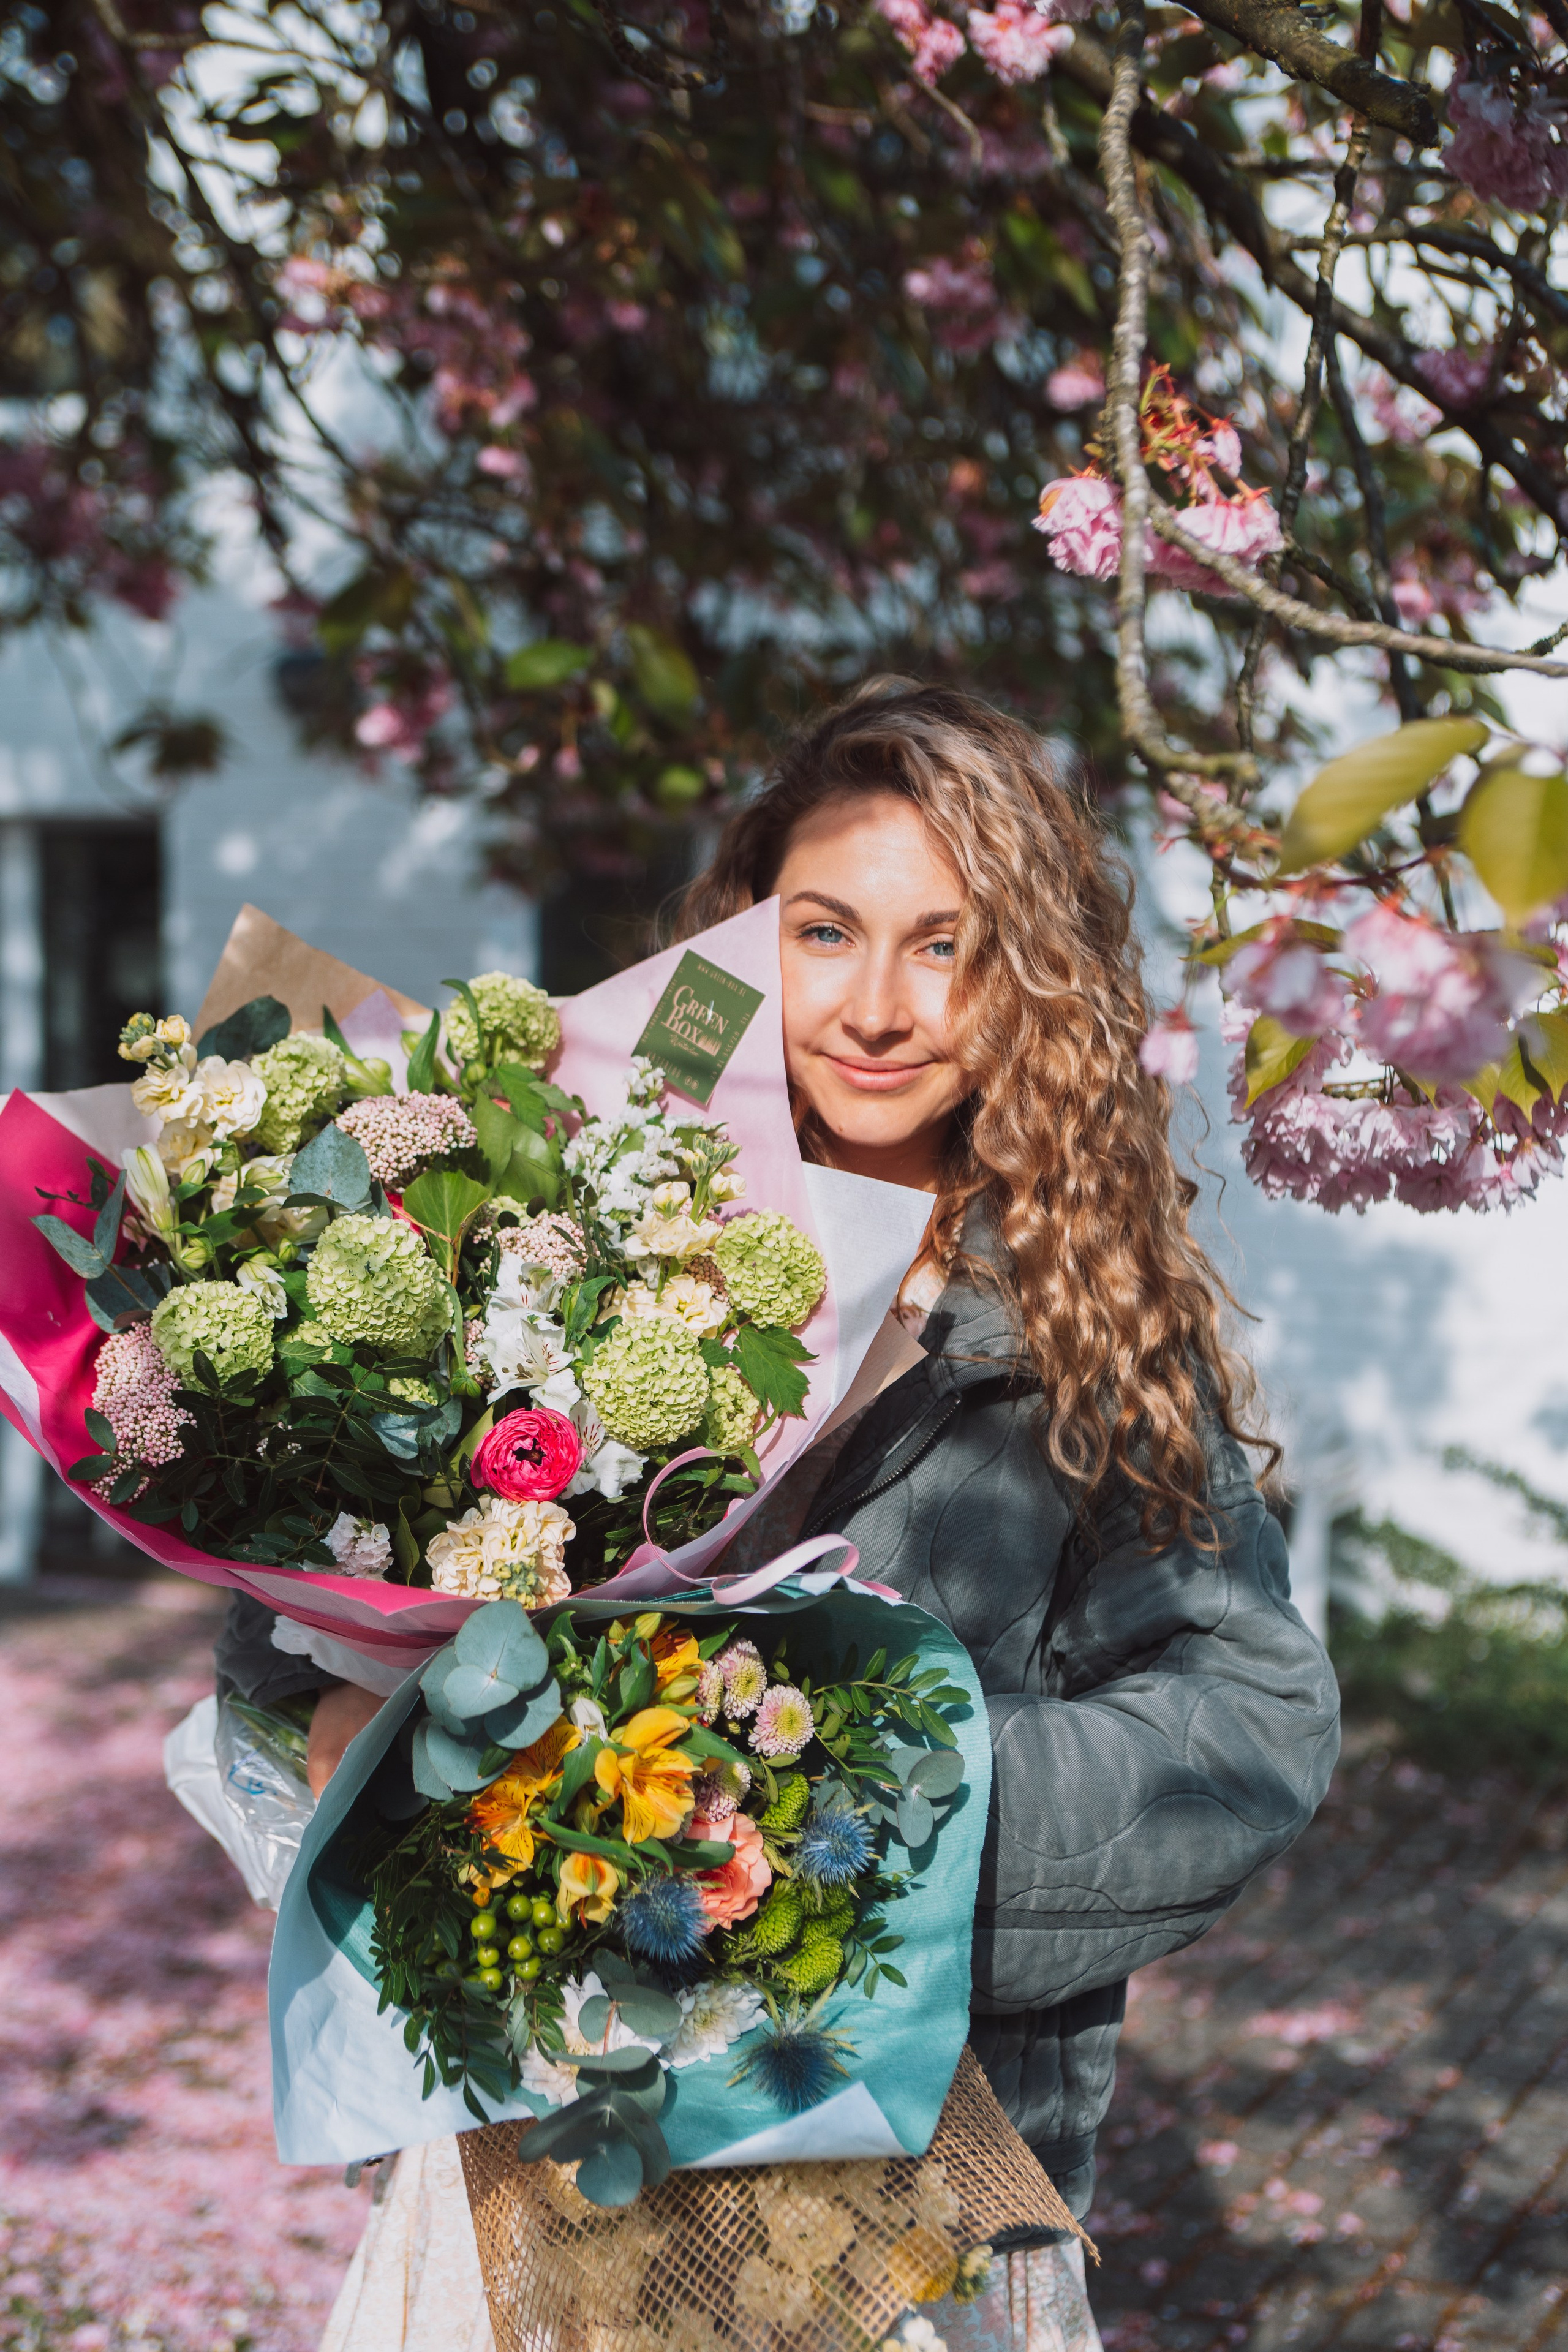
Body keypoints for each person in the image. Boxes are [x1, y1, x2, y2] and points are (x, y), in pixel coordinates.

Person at [216, 677, 1338, 2352]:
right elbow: (304, 1587)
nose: (879, 1007)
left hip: (897, 2205)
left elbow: (1253, 1728)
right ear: (744, 935)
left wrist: (824, 1809)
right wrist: (340, 1731)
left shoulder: (1083, 1324)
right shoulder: (568, 1233)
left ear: (1029, 987)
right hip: (535, 2164)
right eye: (826, 932)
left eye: (947, 946)